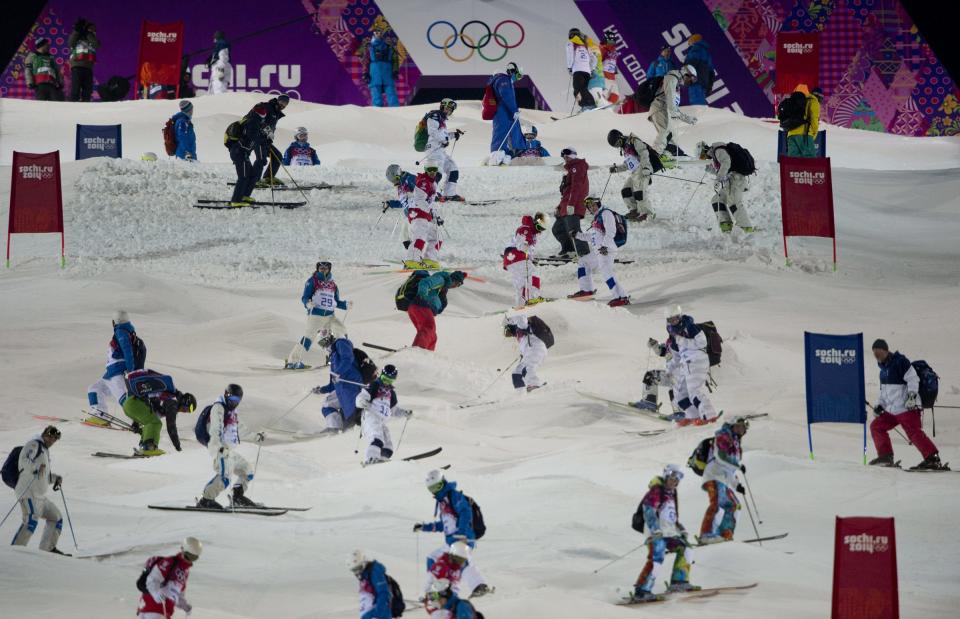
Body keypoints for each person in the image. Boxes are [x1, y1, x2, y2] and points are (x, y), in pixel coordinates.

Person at [869, 339, 943, 470]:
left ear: (885, 350)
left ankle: (932, 459)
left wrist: (912, 396)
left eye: (878, 351)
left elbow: (913, 379)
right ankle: (886, 457)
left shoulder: (900, 361)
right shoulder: (883, 371)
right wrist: (879, 405)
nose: (876, 355)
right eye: (874, 352)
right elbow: (885, 393)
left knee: (913, 432)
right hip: (893, 410)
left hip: (907, 407)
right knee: (876, 426)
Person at [414, 470, 488, 597]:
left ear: (443, 482)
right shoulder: (442, 502)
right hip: (451, 542)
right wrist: (424, 527)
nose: (435, 491)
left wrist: (462, 533)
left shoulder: (454, 495)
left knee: (460, 560)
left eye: (437, 487)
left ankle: (479, 586)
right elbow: (444, 525)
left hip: (463, 538)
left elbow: (465, 512)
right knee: (432, 558)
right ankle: (436, 591)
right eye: (431, 488)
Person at [630, 464, 696, 602]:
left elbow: (671, 517)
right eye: (672, 477)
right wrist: (656, 529)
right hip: (656, 533)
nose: (675, 480)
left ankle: (679, 582)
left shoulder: (672, 493)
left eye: (678, 478)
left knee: (686, 549)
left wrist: (681, 529)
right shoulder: (656, 491)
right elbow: (648, 511)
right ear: (666, 475)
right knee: (656, 559)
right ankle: (642, 591)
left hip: (669, 533)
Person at [197, 384, 260, 509]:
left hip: (228, 450)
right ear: (226, 394)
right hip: (219, 448)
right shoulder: (218, 408)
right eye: (232, 399)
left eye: (237, 400)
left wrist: (257, 437)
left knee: (247, 471)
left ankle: (237, 497)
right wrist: (218, 448)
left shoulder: (232, 412)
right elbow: (216, 429)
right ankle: (206, 500)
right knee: (224, 477)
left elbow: (240, 429)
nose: (234, 402)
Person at [656, 306, 719, 424]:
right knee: (680, 394)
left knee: (694, 391)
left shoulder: (690, 326)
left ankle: (709, 415)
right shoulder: (673, 334)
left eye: (675, 319)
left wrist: (682, 340)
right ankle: (693, 416)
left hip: (697, 361)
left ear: (680, 317)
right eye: (671, 320)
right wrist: (668, 369)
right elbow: (676, 357)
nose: (674, 322)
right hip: (686, 364)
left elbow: (702, 342)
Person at [285, 261, 351, 370]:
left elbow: (336, 301)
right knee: (309, 337)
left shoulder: (333, 284)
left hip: (330, 316)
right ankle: (293, 361)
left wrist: (346, 305)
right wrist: (307, 303)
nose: (323, 269)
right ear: (317, 268)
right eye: (321, 267)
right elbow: (305, 297)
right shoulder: (312, 281)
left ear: (329, 269)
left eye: (325, 268)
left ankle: (333, 357)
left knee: (340, 331)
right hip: (316, 315)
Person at [10, 426, 65, 554]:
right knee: (31, 520)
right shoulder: (34, 444)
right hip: (27, 492)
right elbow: (23, 461)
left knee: (56, 518)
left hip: (39, 495)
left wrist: (55, 478)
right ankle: (15, 552)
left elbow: (42, 475)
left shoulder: (45, 451)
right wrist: (34, 467)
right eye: (50, 437)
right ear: (44, 435)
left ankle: (47, 550)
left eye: (55, 439)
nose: (52, 440)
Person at [87, 311, 146, 426]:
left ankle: (142, 419)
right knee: (94, 389)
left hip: (117, 371)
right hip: (111, 372)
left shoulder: (121, 332)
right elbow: (142, 351)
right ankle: (100, 415)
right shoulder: (129, 333)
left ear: (114, 321)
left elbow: (128, 352)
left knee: (124, 398)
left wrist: (131, 372)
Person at [569, 197, 630, 307]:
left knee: (607, 273)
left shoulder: (606, 213)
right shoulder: (597, 218)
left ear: (598, 203)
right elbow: (593, 237)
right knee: (583, 262)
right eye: (589, 206)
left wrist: (605, 246)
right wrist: (577, 235)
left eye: (593, 205)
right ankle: (586, 290)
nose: (591, 208)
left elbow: (611, 231)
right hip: (599, 251)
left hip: (606, 250)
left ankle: (621, 297)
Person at [122, 369, 197, 456]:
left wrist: (136, 423)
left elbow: (149, 406)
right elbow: (171, 426)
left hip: (129, 404)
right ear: (185, 402)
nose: (186, 412)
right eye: (189, 409)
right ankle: (149, 448)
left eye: (190, 411)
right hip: (135, 403)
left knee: (150, 423)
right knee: (156, 423)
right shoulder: (172, 402)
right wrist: (178, 447)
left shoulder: (167, 397)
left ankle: (143, 447)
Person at [698, 417, 748, 544]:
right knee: (717, 504)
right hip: (713, 476)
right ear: (732, 425)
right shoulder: (723, 436)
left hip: (723, 480)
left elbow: (729, 470)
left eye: (743, 427)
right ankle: (706, 535)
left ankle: (725, 534)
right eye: (739, 426)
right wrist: (737, 465)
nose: (741, 429)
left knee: (734, 505)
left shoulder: (736, 444)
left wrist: (736, 485)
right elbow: (721, 457)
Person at [314, 337, 375, 431]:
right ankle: (336, 427)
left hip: (351, 385)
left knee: (352, 411)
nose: (324, 346)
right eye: (321, 344)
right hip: (341, 388)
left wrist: (338, 372)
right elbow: (333, 384)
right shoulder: (333, 355)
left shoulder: (341, 343)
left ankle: (345, 430)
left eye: (323, 342)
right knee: (327, 404)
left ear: (328, 338)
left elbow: (348, 358)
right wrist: (321, 390)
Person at [355, 365, 411, 465]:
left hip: (381, 421)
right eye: (385, 379)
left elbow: (394, 410)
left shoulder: (392, 393)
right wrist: (362, 402)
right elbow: (361, 397)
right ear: (381, 375)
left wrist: (404, 413)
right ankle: (371, 458)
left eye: (390, 381)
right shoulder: (374, 385)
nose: (386, 382)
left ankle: (382, 459)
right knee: (377, 438)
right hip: (370, 417)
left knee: (388, 445)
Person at [697, 141, 754, 233]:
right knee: (717, 200)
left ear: (704, 150)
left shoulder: (718, 150)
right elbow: (725, 169)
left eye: (702, 156)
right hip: (731, 180)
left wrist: (718, 179)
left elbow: (726, 163)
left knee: (734, 203)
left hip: (736, 179)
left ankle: (746, 228)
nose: (704, 158)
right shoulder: (716, 154)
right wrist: (711, 170)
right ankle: (725, 225)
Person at [137, 537, 201, 618]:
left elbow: (177, 596)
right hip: (155, 609)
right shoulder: (169, 562)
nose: (189, 560)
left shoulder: (185, 573)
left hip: (158, 611)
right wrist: (157, 593)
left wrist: (185, 606)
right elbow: (152, 580)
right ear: (182, 550)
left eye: (193, 558)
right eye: (188, 556)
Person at [648, 65, 698, 168]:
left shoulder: (676, 82)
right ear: (685, 73)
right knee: (665, 132)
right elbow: (671, 107)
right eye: (690, 78)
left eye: (693, 80)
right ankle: (653, 156)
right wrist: (687, 119)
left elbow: (672, 106)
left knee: (672, 135)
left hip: (662, 110)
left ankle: (672, 155)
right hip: (659, 108)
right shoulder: (671, 79)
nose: (690, 82)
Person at [407, 271, 467, 351]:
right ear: (454, 280)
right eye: (458, 284)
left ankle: (427, 354)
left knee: (432, 335)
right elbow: (424, 282)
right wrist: (422, 296)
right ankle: (418, 350)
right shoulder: (440, 279)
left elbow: (435, 299)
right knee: (429, 327)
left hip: (418, 307)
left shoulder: (443, 287)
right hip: (420, 305)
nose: (456, 286)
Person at [607, 129, 659, 222]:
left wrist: (646, 168)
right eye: (616, 146)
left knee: (639, 192)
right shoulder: (625, 148)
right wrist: (616, 169)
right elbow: (629, 164)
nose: (618, 145)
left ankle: (647, 213)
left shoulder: (633, 141)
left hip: (643, 169)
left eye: (618, 143)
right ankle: (634, 210)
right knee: (626, 190)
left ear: (620, 137)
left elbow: (644, 153)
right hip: (634, 172)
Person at [225, 103, 269, 206]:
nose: (264, 112)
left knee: (252, 175)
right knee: (243, 177)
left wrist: (265, 139)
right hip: (239, 152)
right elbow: (252, 136)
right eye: (262, 110)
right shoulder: (253, 121)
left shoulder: (257, 120)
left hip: (242, 153)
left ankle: (244, 196)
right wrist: (264, 139)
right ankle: (236, 200)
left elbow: (255, 137)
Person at [403, 164, 444, 269]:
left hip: (426, 215)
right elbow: (419, 200)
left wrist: (436, 215)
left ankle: (429, 259)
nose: (432, 172)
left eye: (434, 170)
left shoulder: (432, 183)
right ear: (426, 170)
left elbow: (430, 202)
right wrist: (431, 211)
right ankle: (411, 260)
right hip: (418, 213)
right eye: (429, 170)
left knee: (437, 237)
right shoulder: (424, 181)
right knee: (420, 237)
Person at [632, 335, 685, 417]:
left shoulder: (686, 340)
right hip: (671, 374)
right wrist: (655, 345)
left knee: (675, 388)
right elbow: (663, 351)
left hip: (683, 375)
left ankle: (681, 413)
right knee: (651, 376)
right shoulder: (671, 341)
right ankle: (649, 403)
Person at [503, 213, 548, 307]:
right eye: (540, 227)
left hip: (510, 258)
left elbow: (526, 248)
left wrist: (530, 257)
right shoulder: (526, 228)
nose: (540, 231)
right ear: (536, 222)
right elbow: (523, 244)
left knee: (520, 282)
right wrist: (526, 246)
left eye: (543, 229)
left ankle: (520, 304)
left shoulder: (530, 231)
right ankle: (533, 297)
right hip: (516, 255)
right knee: (533, 274)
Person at [423, 98, 464, 202]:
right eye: (446, 108)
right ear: (442, 106)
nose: (448, 111)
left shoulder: (441, 119)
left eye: (450, 110)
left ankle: (449, 194)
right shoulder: (434, 116)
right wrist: (445, 139)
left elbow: (442, 134)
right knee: (437, 172)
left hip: (440, 150)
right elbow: (433, 132)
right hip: (433, 149)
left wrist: (453, 135)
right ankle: (432, 194)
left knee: (453, 169)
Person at [553, 147, 589, 259]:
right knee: (558, 229)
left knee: (574, 231)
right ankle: (570, 249)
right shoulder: (571, 169)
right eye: (564, 157)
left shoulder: (577, 167)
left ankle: (585, 254)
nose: (565, 159)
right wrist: (560, 207)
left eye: (567, 156)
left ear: (573, 155)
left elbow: (576, 187)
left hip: (573, 205)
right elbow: (567, 192)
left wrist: (571, 204)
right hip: (566, 206)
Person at [487, 62, 526, 165]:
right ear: (512, 72)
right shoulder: (503, 79)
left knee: (508, 132)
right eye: (518, 75)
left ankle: (509, 154)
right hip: (503, 112)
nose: (517, 79)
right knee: (501, 132)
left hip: (503, 112)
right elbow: (507, 96)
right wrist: (514, 111)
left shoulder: (499, 79)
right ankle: (496, 156)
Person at [423, 541, 491, 599]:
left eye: (463, 560)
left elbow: (455, 584)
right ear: (453, 556)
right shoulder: (441, 565)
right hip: (436, 593)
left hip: (448, 594)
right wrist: (430, 594)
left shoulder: (457, 566)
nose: (461, 563)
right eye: (460, 560)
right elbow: (430, 580)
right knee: (444, 582)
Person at [504, 315, 548, 392]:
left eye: (506, 331)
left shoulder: (521, 327)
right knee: (517, 372)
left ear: (510, 327)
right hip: (531, 352)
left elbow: (521, 317)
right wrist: (522, 355)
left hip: (536, 349)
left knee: (527, 368)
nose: (508, 334)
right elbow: (525, 345)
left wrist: (509, 320)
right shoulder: (519, 336)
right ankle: (520, 392)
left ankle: (534, 385)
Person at [348, 550, 395, 619]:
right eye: (354, 570)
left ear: (363, 562)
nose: (357, 572)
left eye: (358, 568)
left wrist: (374, 614)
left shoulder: (375, 572)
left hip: (379, 614)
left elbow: (383, 593)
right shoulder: (364, 574)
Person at [362, 25, 400, 107]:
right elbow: (366, 61)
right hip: (374, 72)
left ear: (382, 34)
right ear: (373, 34)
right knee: (376, 96)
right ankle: (378, 115)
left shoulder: (389, 46)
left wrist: (395, 71)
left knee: (391, 94)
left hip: (387, 72)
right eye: (376, 32)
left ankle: (397, 112)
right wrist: (365, 73)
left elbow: (395, 60)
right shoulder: (369, 47)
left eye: (379, 32)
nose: (378, 34)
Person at [257, 95, 290, 186]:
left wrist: (270, 136)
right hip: (257, 139)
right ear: (278, 100)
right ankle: (254, 180)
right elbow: (261, 121)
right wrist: (268, 133)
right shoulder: (268, 107)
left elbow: (270, 126)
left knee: (277, 156)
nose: (283, 105)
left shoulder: (276, 112)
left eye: (286, 104)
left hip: (265, 140)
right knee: (261, 159)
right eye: (282, 102)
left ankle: (268, 177)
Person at [383, 163, 417, 251]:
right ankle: (411, 256)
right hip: (408, 214)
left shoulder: (410, 179)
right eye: (393, 181)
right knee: (405, 237)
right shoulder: (399, 185)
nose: (395, 182)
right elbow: (403, 202)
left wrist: (412, 196)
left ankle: (417, 256)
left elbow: (423, 192)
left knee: (414, 235)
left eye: (396, 179)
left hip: (417, 213)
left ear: (400, 174)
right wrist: (391, 203)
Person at [785, 84, 821, 158]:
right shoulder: (813, 100)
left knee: (793, 162)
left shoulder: (793, 101)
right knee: (810, 163)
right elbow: (814, 119)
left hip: (791, 135)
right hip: (805, 134)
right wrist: (813, 134)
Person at [566, 28, 597, 111]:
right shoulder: (585, 45)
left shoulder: (571, 43)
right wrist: (592, 69)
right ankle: (586, 107)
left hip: (578, 70)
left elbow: (570, 55)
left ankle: (590, 105)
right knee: (583, 89)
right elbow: (594, 58)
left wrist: (569, 67)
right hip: (587, 72)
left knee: (578, 89)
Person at [68, 18, 98, 102]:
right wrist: (77, 31)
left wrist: (88, 34)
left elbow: (97, 45)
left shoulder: (92, 38)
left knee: (87, 90)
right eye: (91, 28)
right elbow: (70, 43)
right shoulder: (77, 38)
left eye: (94, 29)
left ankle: (85, 106)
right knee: (76, 88)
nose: (93, 30)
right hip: (77, 66)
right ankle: (73, 105)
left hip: (88, 67)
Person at [683, 35, 714, 105]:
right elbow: (711, 72)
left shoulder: (695, 49)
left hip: (695, 80)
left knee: (696, 102)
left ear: (693, 41)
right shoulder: (707, 53)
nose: (689, 44)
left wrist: (687, 77)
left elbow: (691, 64)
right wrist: (709, 86)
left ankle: (704, 115)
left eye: (689, 42)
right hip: (704, 82)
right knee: (700, 100)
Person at [207, 30, 232, 95]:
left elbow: (223, 58)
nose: (213, 40)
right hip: (218, 71)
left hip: (219, 71)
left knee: (219, 91)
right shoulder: (219, 45)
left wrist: (221, 70)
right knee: (213, 92)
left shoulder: (221, 44)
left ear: (216, 37)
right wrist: (210, 61)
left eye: (214, 38)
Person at [599, 32, 621, 104]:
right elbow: (597, 62)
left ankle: (607, 109)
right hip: (604, 76)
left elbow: (612, 62)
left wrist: (615, 70)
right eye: (610, 41)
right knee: (604, 95)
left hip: (612, 77)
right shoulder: (602, 49)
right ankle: (600, 108)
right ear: (605, 40)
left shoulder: (613, 50)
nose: (612, 43)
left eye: (613, 41)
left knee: (615, 95)